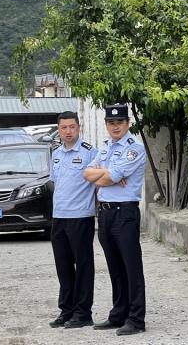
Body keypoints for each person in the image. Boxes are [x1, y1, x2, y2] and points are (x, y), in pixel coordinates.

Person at [83, 103, 147, 336]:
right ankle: (119, 314)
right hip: (106, 212)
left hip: (125, 212)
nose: (115, 126)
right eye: (111, 122)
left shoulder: (134, 148)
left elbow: (107, 177)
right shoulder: (105, 146)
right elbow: (88, 175)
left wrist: (105, 174)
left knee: (131, 267)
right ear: (107, 125)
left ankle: (136, 319)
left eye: (119, 122)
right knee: (115, 268)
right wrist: (106, 173)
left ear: (127, 124)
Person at [48, 111, 98, 329]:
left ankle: (83, 312)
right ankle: (66, 310)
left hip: (81, 217)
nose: (68, 131)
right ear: (58, 130)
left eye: (72, 127)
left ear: (79, 128)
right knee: (63, 266)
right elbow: (55, 183)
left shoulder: (90, 153)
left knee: (84, 266)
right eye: (64, 128)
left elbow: (102, 178)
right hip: (59, 217)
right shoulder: (56, 154)